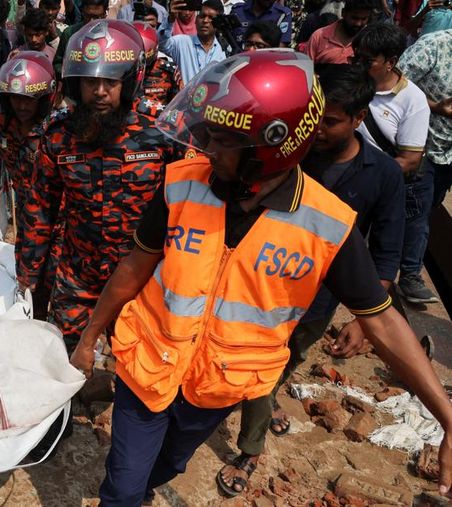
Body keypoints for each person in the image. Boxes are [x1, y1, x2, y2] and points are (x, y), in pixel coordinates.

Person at [68, 49, 452, 506]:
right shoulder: (182, 182)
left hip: (215, 389)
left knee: (169, 465)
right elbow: (135, 263)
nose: (205, 145)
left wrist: (447, 418)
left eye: (221, 139)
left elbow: (384, 321)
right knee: (124, 486)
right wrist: (91, 334)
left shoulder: (326, 225)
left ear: (270, 150)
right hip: (145, 367)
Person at [217, 63, 406, 497]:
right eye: (313, 116)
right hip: (263, 290)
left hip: (318, 302)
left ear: (359, 119)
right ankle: (251, 447)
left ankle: (262, 407)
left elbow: (387, 252)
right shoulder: (287, 153)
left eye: (331, 120)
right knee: (261, 367)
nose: (317, 128)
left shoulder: (383, 175)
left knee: (285, 362)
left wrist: (364, 319)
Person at [20, 19, 174, 361]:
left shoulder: (161, 133)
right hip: (78, 274)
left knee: (139, 364)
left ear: (129, 81)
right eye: (91, 81)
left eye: (110, 81)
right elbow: (39, 210)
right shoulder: (59, 136)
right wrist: (28, 275)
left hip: (141, 277)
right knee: (63, 360)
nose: (101, 91)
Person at [352, 24, 434, 305]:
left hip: (388, 185)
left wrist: (364, 179)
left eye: (368, 61)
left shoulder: (413, 100)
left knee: (383, 253)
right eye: (357, 58)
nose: (360, 65)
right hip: (355, 181)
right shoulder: (354, 85)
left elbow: (410, 160)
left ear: (391, 62)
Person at [0, 52, 57, 317]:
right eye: (16, 98)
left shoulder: (57, 126)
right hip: (23, 211)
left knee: (53, 276)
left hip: (58, 217)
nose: (22, 106)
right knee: (26, 273)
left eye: (29, 100)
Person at [398, 29, 452, 275]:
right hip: (422, 145)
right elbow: (396, 84)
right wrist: (434, 107)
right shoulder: (433, 46)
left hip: (449, 152)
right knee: (419, 209)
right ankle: (411, 273)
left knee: (429, 205)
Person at [159, 0, 227, 82]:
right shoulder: (182, 42)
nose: (205, 20)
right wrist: (170, 19)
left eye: (211, 18)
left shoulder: (224, 50)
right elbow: (161, 43)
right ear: (196, 19)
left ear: (218, 23)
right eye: (202, 16)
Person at [132, 21, 182, 117]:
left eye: (145, 61)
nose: (140, 66)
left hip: (158, 125)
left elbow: (179, 106)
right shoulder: (120, 69)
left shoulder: (170, 70)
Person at [305, 0, 374, 64]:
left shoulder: (369, 39)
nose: (358, 23)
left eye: (364, 19)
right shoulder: (319, 37)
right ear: (343, 13)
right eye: (354, 18)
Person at [53, 0, 108, 76]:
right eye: (88, 16)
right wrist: (68, 71)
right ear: (82, 12)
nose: (91, 21)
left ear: (104, 15)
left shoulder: (111, 36)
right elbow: (58, 63)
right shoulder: (70, 34)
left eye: (96, 17)